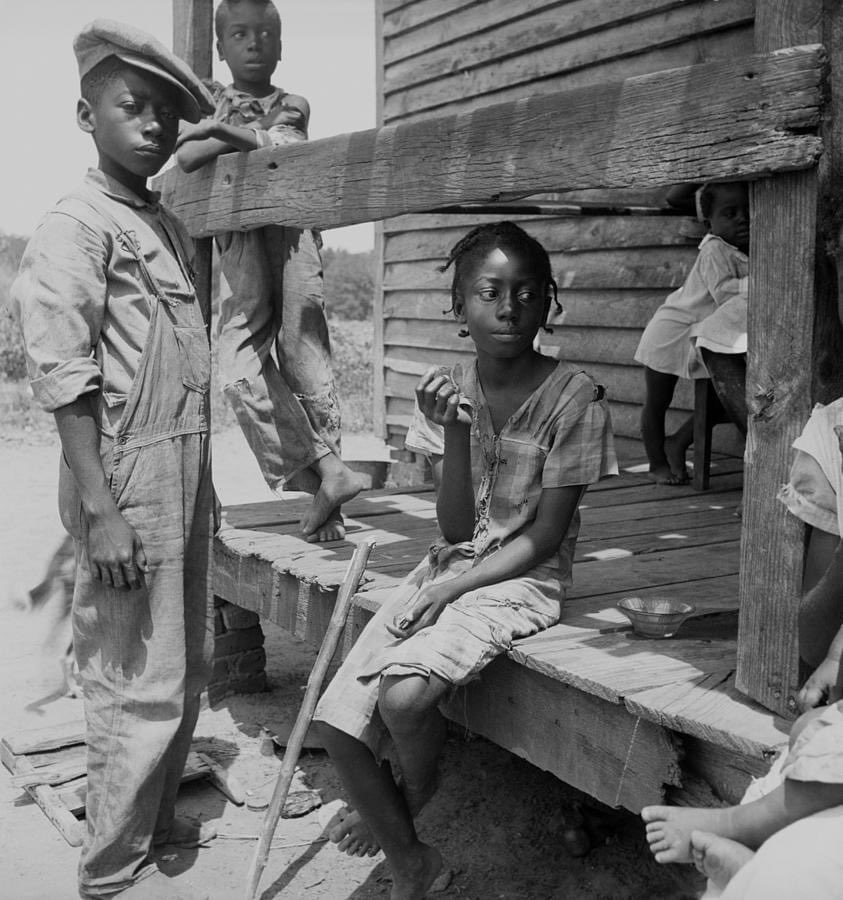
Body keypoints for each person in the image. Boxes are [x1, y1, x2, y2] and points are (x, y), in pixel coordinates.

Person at [312, 221, 617, 899]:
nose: (508, 307)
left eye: (527, 292)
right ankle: (411, 856)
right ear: (459, 306)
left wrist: (450, 590)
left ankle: (417, 789)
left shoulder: (577, 399)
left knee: (405, 695)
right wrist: (452, 430)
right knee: (336, 728)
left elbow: (542, 539)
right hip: (449, 567)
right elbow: (452, 526)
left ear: (547, 304)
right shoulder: (449, 391)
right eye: (490, 291)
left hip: (523, 580)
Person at [12, 20, 218, 900]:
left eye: (167, 114)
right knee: (131, 673)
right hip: (126, 474)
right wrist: (99, 508)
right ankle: (109, 867)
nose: (154, 127)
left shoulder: (160, 219)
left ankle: (155, 818)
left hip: (187, 465)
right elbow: (63, 375)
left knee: (182, 664)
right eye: (133, 107)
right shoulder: (76, 224)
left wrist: (223, 129)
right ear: (85, 115)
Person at [176, 0, 366, 543]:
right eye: (239, 34)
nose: (253, 43)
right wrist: (229, 129)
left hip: (294, 235)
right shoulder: (209, 97)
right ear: (221, 46)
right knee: (238, 364)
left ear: (281, 46)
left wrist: (223, 132)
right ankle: (329, 474)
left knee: (306, 357)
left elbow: (283, 141)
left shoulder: (293, 102)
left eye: (264, 34)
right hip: (239, 235)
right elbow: (187, 157)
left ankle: (330, 504)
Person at [639, 405, 843, 899]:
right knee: (815, 740)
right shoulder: (833, 434)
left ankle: (739, 834)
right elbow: (819, 640)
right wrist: (835, 660)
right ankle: (745, 847)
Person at [634, 181, 749, 484]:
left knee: (724, 396)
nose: (742, 218)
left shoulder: (743, 250)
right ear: (709, 220)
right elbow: (724, 293)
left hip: (703, 335)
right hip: (671, 331)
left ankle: (679, 441)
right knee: (658, 401)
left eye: (747, 211)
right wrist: (760, 281)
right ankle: (657, 464)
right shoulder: (714, 248)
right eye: (730, 213)